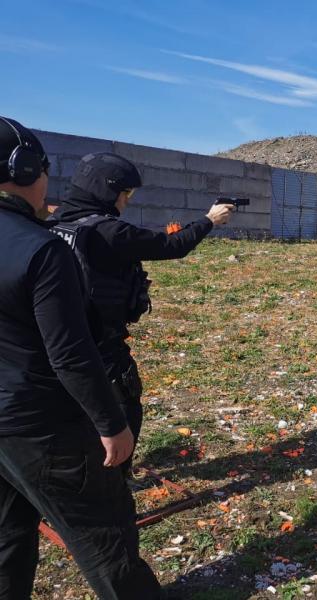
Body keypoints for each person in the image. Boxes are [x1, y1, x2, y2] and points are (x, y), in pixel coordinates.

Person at [0, 117, 161, 598]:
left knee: (8, 536)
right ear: (27, 169)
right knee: (105, 538)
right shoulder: (39, 248)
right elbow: (70, 353)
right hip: (41, 425)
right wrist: (111, 424)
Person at [51, 153, 234, 475]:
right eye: (126, 193)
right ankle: (113, 486)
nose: (126, 200)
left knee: (72, 417)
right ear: (108, 191)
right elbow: (171, 245)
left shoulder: (54, 221)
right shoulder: (107, 232)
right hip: (101, 345)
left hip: (56, 342)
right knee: (123, 410)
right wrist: (209, 220)